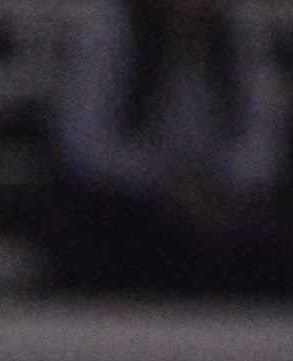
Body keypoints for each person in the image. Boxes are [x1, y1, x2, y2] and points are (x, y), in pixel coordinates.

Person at [45, 0, 290, 298]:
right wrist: (160, 182)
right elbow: (87, 142)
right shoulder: (112, 28)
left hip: (217, 200)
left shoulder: (239, 33)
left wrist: (219, 185)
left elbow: (261, 139)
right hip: (131, 199)